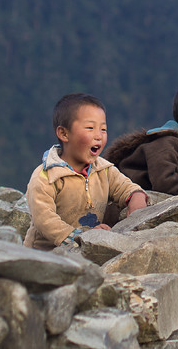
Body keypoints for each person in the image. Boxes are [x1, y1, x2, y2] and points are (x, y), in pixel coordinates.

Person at [24, 93, 148, 251]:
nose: (99, 136)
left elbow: (126, 187)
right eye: (90, 128)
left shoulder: (104, 169)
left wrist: (136, 200)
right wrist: (81, 236)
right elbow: (45, 220)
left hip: (86, 249)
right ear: (64, 134)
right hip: (43, 254)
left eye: (103, 129)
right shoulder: (46, 176)